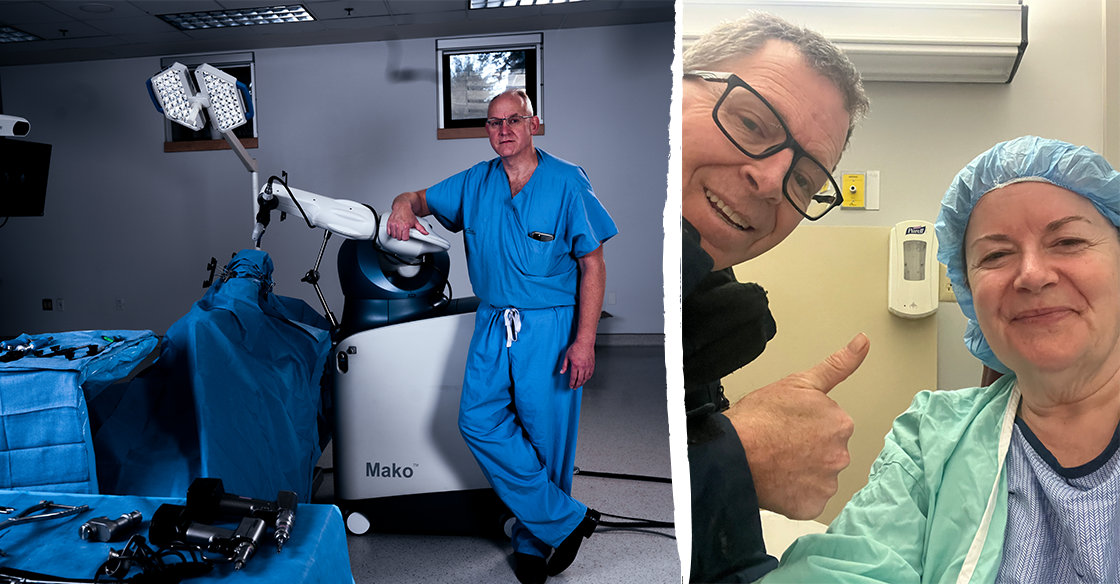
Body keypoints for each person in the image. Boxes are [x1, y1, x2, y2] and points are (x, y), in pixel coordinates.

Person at [761, 135, 1120, 583]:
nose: (1031, 274)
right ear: (969, 292)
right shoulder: (932, 437)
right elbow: (850, 566)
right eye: (996, 255)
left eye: (1067, 241)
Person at [386, 89, 617, 584]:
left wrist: (585, 340)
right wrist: (401, 206)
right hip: (493, 321)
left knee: (545, 435)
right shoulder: (475, 182)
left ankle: (534, 542)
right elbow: (416, 198)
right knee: (478, 419)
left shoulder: (566, 181)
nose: (504, 130)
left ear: (534, 124)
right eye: (493, 123)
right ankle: (565, 519)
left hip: (549, 324)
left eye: (514, 120)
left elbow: (592, 262)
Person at [682, 12, 871, 583]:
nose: (770, 181)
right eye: (751, 122)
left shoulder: (705, 319)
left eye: (806, 179)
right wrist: (739, 458)